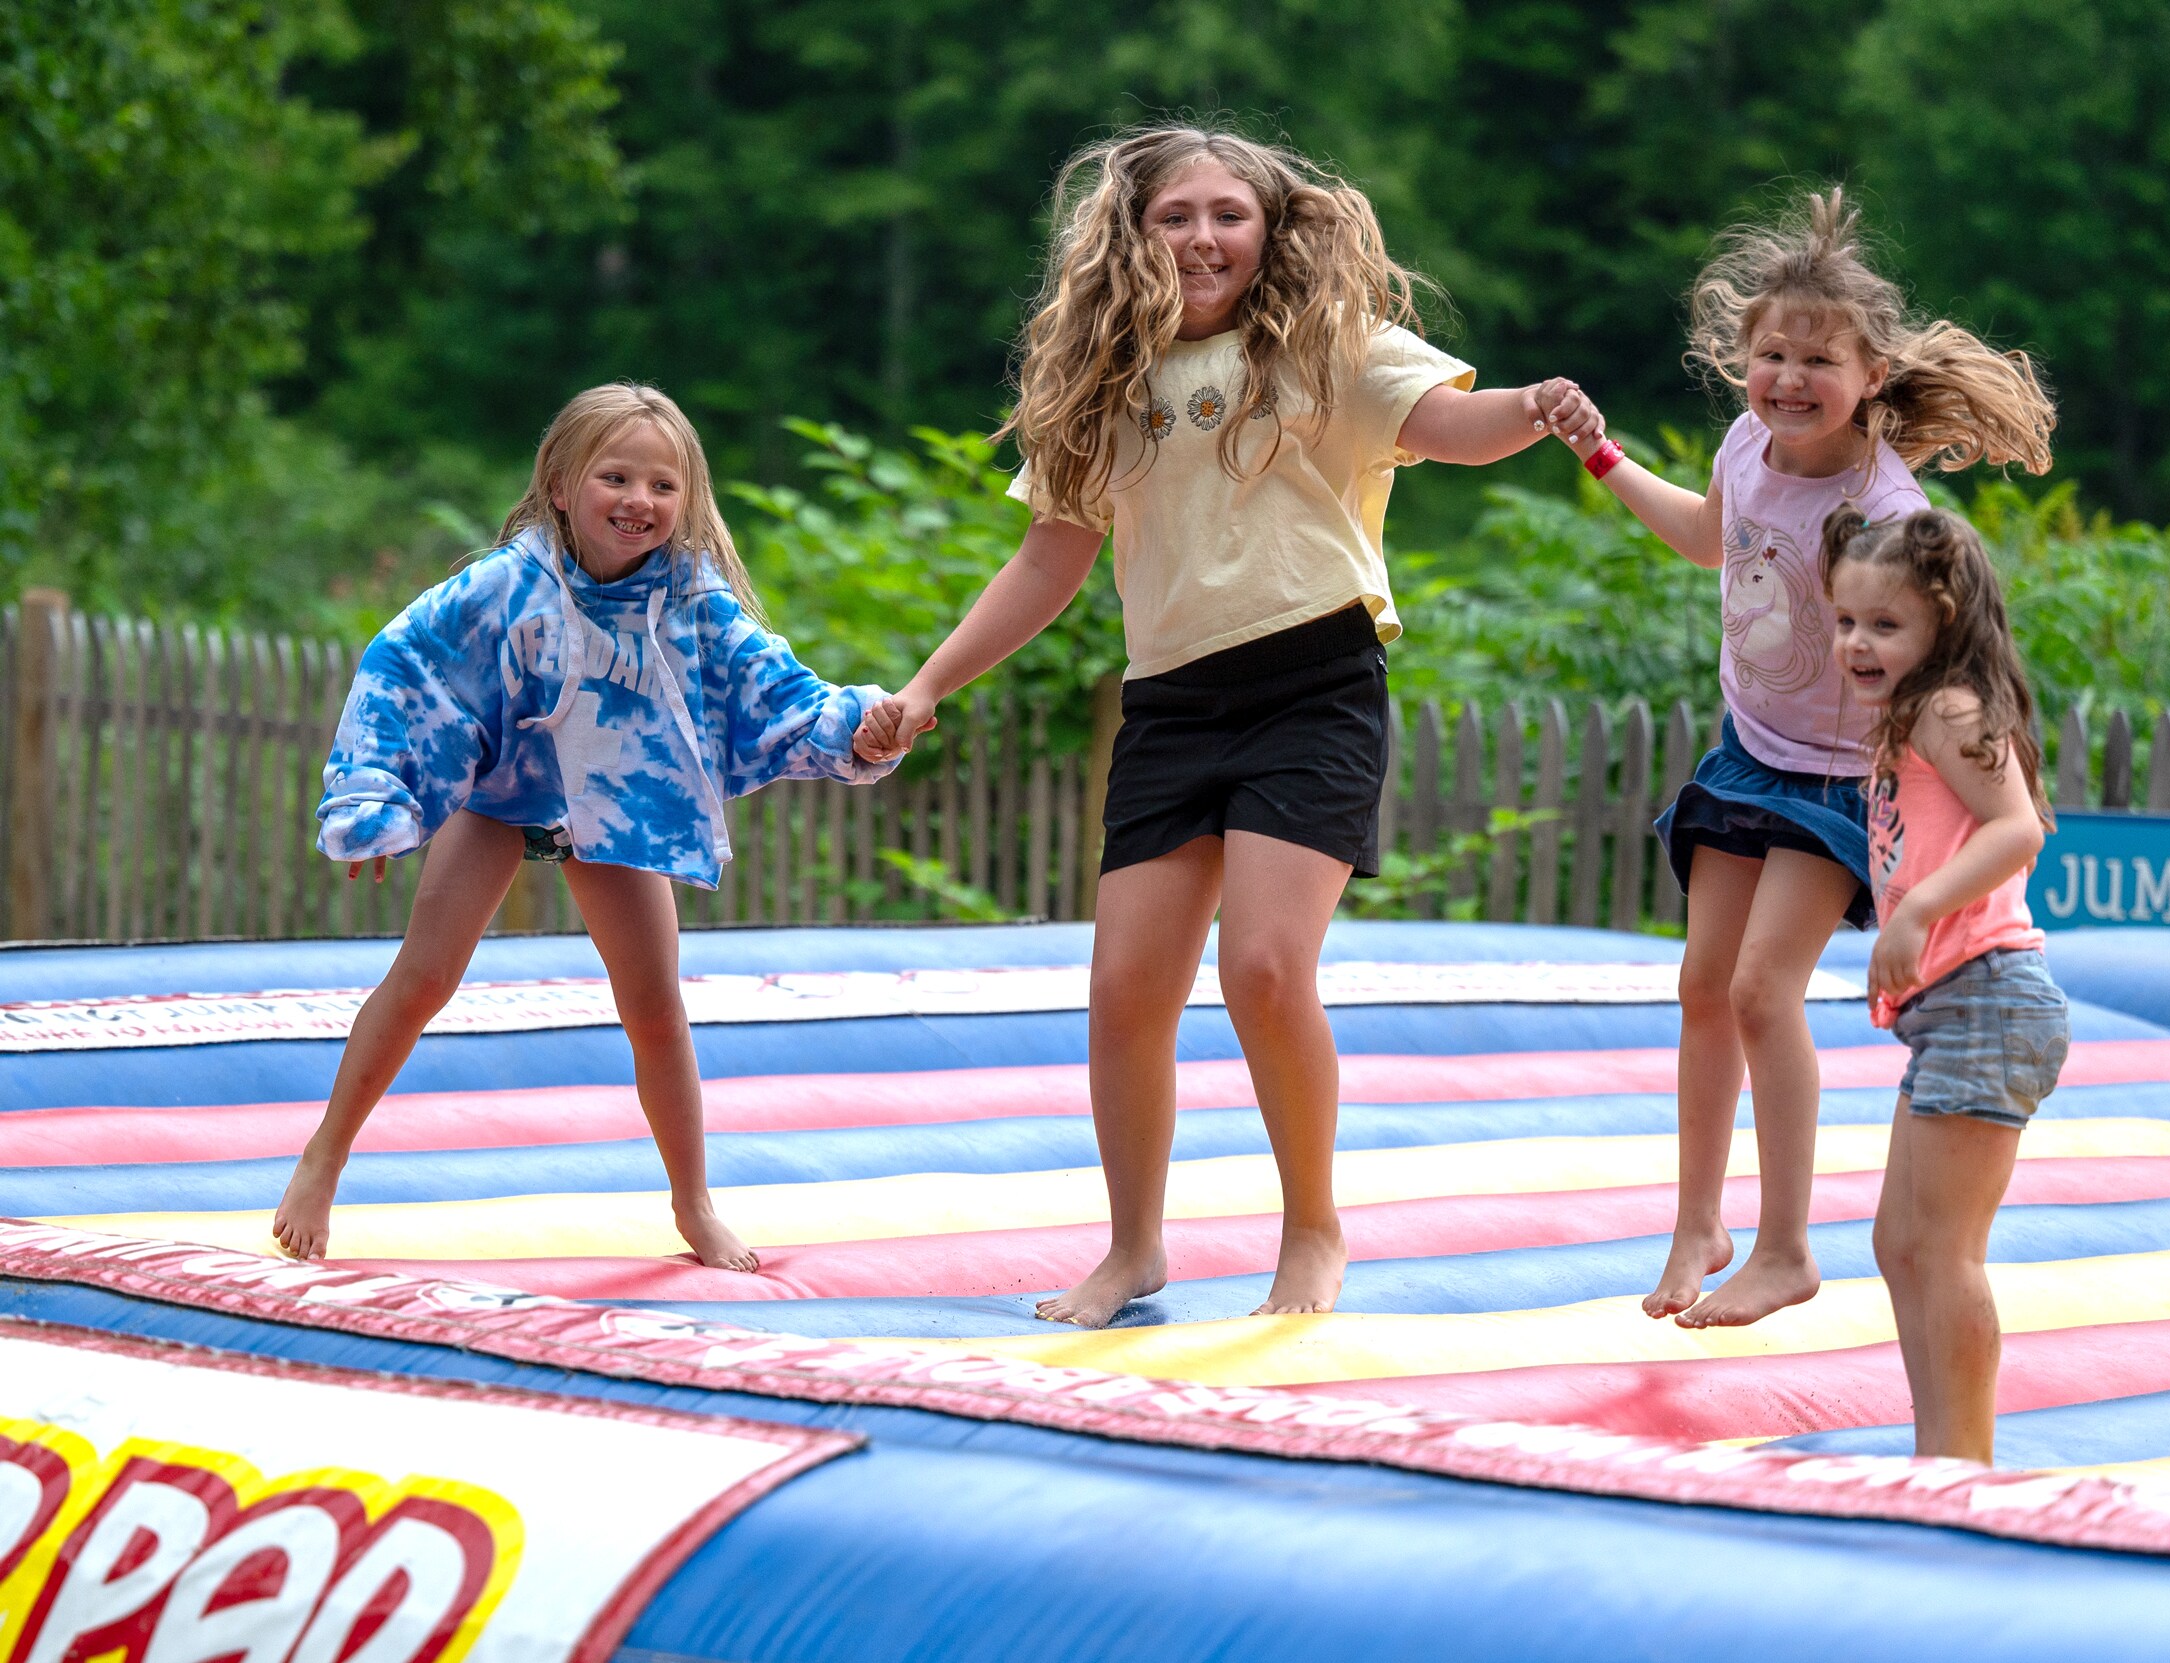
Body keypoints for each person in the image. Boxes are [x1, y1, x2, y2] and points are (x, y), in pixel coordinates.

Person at [852, 125, 1588, 1327]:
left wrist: (1536, 406)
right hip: (1172, 701)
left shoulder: (1328, 347)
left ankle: (1313, 1233)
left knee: (1262, 967)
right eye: (1176, 216)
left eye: (1228, 214)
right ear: (1132, 236)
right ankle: (1133, 1248)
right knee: (1124, 989)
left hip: (1313, 683)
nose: (1202, 238)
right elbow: (1047, 559)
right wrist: (930, 684)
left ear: (1270, 228)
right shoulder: (1105, 382)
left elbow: (1453, 429)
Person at [1552, 188, 2055, 1327]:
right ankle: (1699, 1221)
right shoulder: (1746, 445)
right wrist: (1602, 457)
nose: (1788, 377)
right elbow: (1708, 538)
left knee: (1759, 989)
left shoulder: (1881, 503)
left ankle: (1784, 1247)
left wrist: (1950, 756)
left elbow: (1928, 637)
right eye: (1770, 353)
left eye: (1818, 360)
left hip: (1832, 775)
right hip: (1750, 749)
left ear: (1871, 375)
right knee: (1702, 988)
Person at [273, 382, 895, 1270]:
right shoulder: (506, 585)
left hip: (613, 796)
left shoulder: (690, 599)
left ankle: (693, 1203)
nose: (640, 500)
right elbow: (405, 666)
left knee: (656, 1008)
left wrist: (856, 724)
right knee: (424, 977)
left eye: (663, 486)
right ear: (562, 486)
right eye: (617, 478)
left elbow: (773, 685)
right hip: (503, 789)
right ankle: (323, 1158)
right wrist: (376, 794)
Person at [1826, 505, 2069, 1462]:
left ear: (1944, 617)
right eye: (1847, 620)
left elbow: (2019, 828)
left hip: (1989, 995)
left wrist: (1919, 910)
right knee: (1901, 1243)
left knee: (1946, 1249)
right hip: (1957, 1008)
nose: (1858, 642)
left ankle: (1963, 1461)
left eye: (1886, 624)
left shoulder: (1949, 708)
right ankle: (1938, 1450)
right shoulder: (1911, 717)